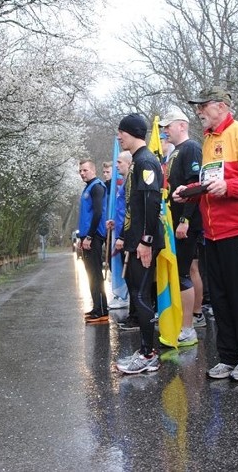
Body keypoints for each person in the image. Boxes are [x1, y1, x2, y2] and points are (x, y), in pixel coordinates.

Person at [173, 86, 238, 383]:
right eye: (197, 107)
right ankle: (227, 357)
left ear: (220, 106)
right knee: (222, 299)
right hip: (212, 234)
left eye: (203, 106)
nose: (199, 112)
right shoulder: (208, 140)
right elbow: (209, 184)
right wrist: (187, 193)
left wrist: (230, 188)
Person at [114, 114, 164, 374]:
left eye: (121, 132)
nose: (118, 136)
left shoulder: (145, 161)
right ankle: (145, 349)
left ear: (132, 132)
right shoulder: (137, 161)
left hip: (145, 241)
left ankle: (148, 354)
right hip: (135, 241)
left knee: (142, 296)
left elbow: (151, 203)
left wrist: (146, 240)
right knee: (137, 293)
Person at [158, 105, 204, 347]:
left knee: (185, 273)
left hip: (187, 223)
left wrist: (185, 219)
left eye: (169, 126)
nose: (166, 131)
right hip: (174, 223)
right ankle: (184, 320)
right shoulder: (175, 152)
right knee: (182, 272)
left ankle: (189, 326)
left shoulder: (192, 148)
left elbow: (195, 185)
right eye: (164, 127)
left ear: (182, 125)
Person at [77, 159, 108, 324]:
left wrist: (89, 236)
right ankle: (97, 307)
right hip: (86, 236)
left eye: (85, 170)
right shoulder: (88, 187)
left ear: (93, 170)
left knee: (96, 273)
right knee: (90, 274)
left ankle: (102, 310)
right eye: (80, 171)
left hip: (94, 236)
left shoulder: (97, 187)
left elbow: (97, 214)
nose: (82, 173)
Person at [107, 151, 132, 311]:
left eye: (119, 163)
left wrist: (122, 235)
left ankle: (132, 307)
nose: (116, 166)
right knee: (128, 272)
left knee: (130, 272)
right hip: (121, 228)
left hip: (128, 232)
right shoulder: (124, 182)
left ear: (129, 163)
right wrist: (115, 222)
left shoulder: (130, 181)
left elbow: (130, 209)